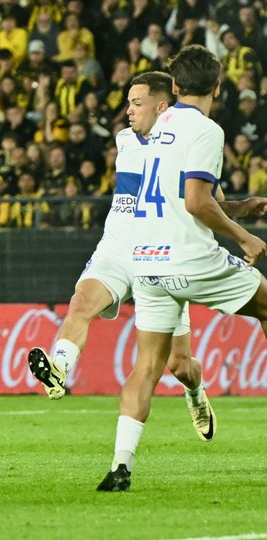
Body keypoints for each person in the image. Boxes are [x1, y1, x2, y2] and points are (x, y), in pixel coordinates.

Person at [27, 71, 265, 442]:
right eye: (128, 103)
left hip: (162, 252)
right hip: (117, 248)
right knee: (81, 302)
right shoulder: (124, 139)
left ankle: (195, 393)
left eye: (136, 103)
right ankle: (58, 370)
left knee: (179, 365)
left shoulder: (185, 141)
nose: (128, 111)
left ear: (161, 106)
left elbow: (206, 200)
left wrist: (242, 208)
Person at [98, 46, 267, 492]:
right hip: (190, 257)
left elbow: (190, 196)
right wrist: (244, 236)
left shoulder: (157, 126)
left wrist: (238, 207)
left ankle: (120, 466)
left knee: (147, 368)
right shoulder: (208, 130)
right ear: (218, 86)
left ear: (174, 87)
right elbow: (195, 202)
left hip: (147, 263)